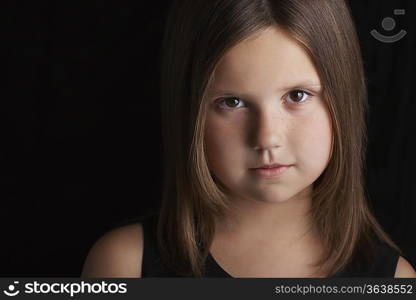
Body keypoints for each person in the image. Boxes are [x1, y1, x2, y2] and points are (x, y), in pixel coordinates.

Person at [80, 0, 416, 278]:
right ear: (189, 110)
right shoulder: (124, 266)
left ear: (343, 100)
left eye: (297, 96)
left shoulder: (393, 281)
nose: (267, 138)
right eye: (232, 102)